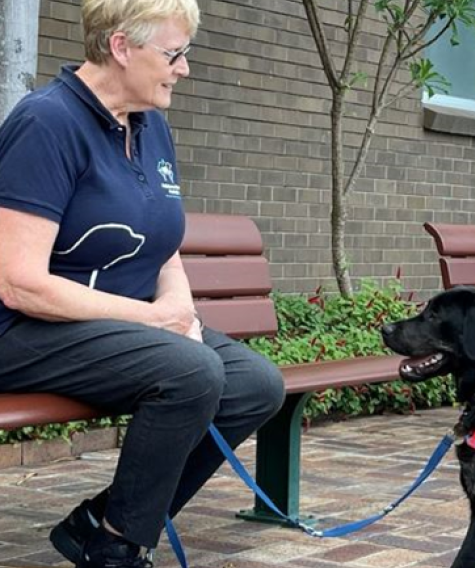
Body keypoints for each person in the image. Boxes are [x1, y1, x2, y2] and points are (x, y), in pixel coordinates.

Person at [0, 1, 285, 567]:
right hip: (25, 330)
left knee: (255, 383)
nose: (184, 68)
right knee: (190, 371)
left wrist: (177, 303)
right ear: (121, 47)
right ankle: (119, 550)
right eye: (174, 53)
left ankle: (103, 526)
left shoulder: (151, 125)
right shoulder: (46, 123)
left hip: (116, 330)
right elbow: (18, 284)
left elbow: (163, 244)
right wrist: (156, 322)